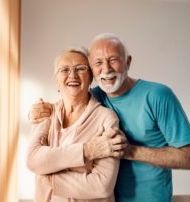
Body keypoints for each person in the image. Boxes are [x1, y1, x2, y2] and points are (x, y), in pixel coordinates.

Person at [29, 33, 190, 202]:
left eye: (113, 60)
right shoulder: (98, 95)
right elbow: (71, 97)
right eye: (98, 63)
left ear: (128, 62)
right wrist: (38, 111)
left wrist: (130, 151)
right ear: (93, 71)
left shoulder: (158, 95)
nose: (106, 69)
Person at [26, 47, 121, 201]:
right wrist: (87, 151)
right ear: (56, 79)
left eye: (80, 68)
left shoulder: (107, 118)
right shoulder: (46, 113)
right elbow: (32, 160)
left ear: (91, 77)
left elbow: (101, 186)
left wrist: (48, 178)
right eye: (64, 70)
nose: (72, 75)